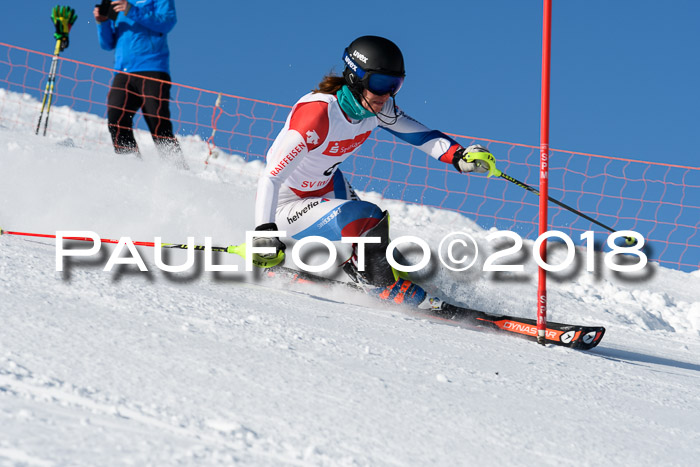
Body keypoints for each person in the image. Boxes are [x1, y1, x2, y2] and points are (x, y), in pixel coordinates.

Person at [253, 35, 494, 306]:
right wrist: (264, 232)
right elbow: (271, 176)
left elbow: (421, 137)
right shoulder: (317, 115)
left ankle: (383, 277)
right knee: (368, 218)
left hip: (327, 186)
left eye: (395, 85)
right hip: (286, 204)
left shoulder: (377, 108)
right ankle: (380, 286)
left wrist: (459, 155)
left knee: (387, 251)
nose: (386, 95)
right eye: (380, 84)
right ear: (355, 78)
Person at [93, 0, 187, 169]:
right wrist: (102, 21)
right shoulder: (117, 1)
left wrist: (132, 10)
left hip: (152, 69)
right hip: (123, 72)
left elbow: (167, 22)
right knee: (116, 119)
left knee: (158, 123)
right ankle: (132, 167)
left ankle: (178, 171)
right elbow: (107, 44)